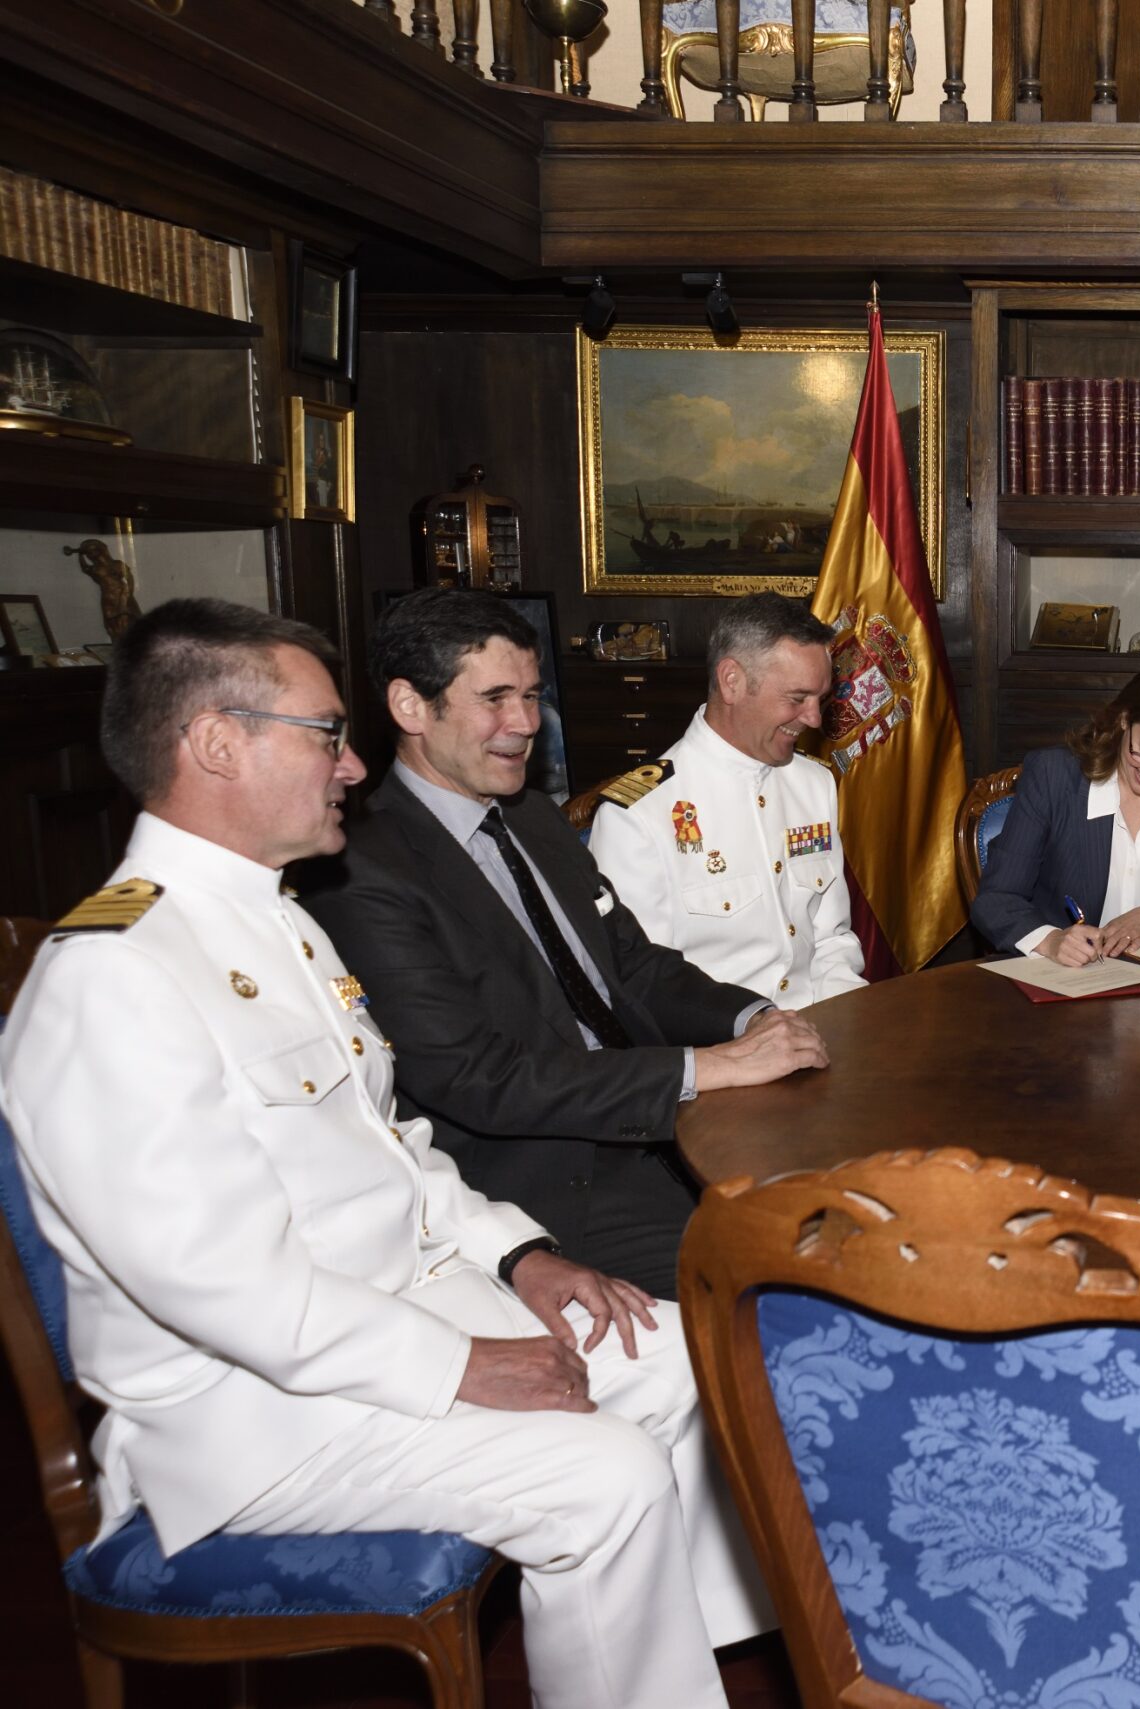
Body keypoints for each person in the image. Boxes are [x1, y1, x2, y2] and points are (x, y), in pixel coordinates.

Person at [0, 600, 767, 1709]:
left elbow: (389, 1141)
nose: (355, 765)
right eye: (324, 733)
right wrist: (462, 1364)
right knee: (608, 1474)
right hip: (243, 1412)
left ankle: (653, 1670)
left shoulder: (282, 918)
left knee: (668, 1353)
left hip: (395, 1313)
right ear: (219, 743)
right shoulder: (115, 973)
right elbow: (215, 1282)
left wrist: (522, 1257)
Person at [298, 589, 828, 1300]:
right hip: (548, 1179)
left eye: (531, 694)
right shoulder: (363, 872)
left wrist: (752, 1019)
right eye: (495, 699)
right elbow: (482, 1080)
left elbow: (633, 967)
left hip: (662, 1123)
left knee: (855, 1219)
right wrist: (704, 1067)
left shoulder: (533, 819)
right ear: (410, 707)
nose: (525, 724)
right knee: (785, 1286)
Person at [589, 593, 867, 1008]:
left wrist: (849, 1027)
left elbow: (831, 940)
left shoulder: (813, 784)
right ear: (732, 681)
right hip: (719, 1051)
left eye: (820, 700)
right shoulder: (640, 813)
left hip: (821, 1029)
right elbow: (638, 984)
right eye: (797, 699)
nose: (813, 719)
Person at [971, 654, 1140, 965]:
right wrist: (1051, 940)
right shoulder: (1054, 778)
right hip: (1062, 983)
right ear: (1124, 719)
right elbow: (996, 899)